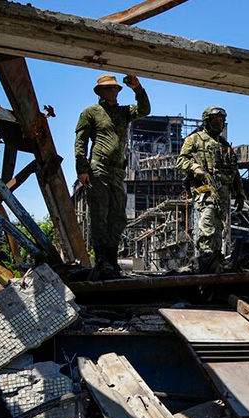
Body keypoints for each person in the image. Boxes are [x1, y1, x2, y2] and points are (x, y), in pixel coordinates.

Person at [75, 73, 150, 279]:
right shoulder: (91, 112)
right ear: (100, 91)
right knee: (100, 214)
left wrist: (138, 88)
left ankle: (111, 259)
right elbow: (80, 142)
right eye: (109, 88)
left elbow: (145, 110)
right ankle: (101, 260)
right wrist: (81, 169)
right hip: (98, 168)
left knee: (118, 215)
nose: (113, 91)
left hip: (118, 170)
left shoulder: (123, 112)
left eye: (116, 88)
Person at [177, 106, 245, 273]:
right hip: (205, 190)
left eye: (221, 120)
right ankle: (207, 259)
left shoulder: (224, 145)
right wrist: (194, 168)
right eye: (216, 120)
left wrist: (240, 193)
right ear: (207, 121)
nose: (219, 123)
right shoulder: (195, 140)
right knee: (207, 224)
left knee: (219, 229)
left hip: (223, 193)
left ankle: (216, 260)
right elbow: (181, 161)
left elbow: (234, 171)